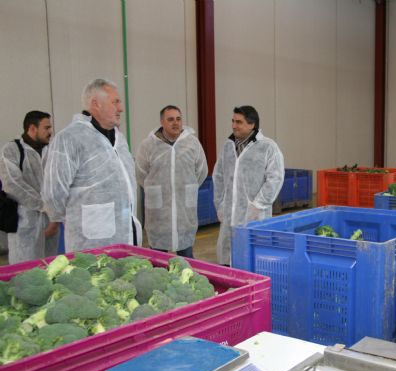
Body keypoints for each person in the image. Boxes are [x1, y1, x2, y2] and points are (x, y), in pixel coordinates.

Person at [43, 78, 141, 252]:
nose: (121, 108)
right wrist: (72, 219)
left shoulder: (119, 138)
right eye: (115, 102)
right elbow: (54, 192)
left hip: (127, 234)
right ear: (96, 104)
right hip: (92, 242)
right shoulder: (69, 138)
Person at [213, 106, 284, 266]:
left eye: (239, 122)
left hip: (255, 215)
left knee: (253, 261)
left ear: (252, 125)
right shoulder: (228, 146)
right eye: (233, 121)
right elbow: (218, 176)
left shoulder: (268, 147)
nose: (234, 125)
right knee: (227, 258)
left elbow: (275, 178)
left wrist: (258, 205)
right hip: (229, 214)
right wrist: (220, 204)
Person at [136, 105, 208, 258]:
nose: (175, 123)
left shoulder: (192, 143)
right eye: (170, 119)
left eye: (178, 119)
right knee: (158, 260)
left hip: (184, 213)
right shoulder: (148, 145)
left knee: (187, 259)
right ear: (162, 122)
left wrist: (186, 188)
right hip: (159, 215)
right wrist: (157, 190)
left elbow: (201, 171)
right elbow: (141, 174)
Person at [0, 111, 59, 264]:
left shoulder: (52, 151)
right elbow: (12, 184)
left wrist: (55, 216)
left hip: (50, 222)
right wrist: (43, 205)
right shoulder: (12, 150)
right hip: (24, 223)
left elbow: (59, 183)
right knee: (23, 269)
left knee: (50, 268)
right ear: (32, 128)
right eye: (46, 128)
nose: (50, 132)